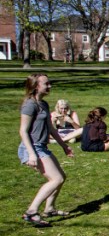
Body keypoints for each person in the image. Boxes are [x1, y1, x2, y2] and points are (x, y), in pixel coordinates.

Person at [18, 73, 74, 227]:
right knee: (56, 179)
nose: (50, 86)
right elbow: (23, 131)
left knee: (61, 176)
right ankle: (31, 212)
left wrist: (64, 146)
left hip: (42, 146)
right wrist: (31, 154)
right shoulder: (30, 105)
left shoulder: (43, 104)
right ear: (36, 86)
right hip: (32, 147)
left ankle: (49, 208)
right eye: (46, 84)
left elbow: (51, 128)